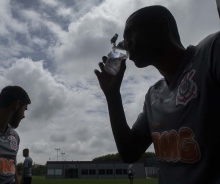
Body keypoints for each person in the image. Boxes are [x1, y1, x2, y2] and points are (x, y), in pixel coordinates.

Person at [94, 5, 220, 184]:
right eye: (123, 38)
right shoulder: (153, 95)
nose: (126, 43)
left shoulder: (211, 52)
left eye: (131, 33)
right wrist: (112, 95)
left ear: (162, 26)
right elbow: (129, 153)